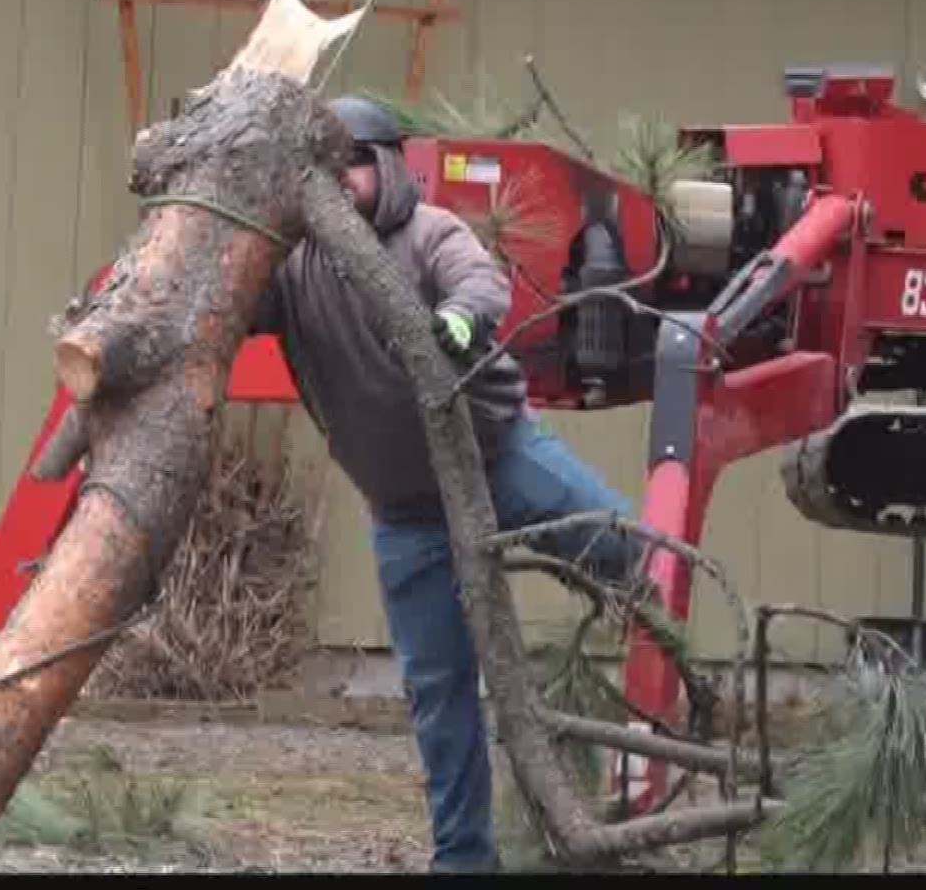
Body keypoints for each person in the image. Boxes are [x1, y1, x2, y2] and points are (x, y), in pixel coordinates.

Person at [251, 94, 647, 873]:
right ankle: (464, 860)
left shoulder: (430, 232)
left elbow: (481, 284)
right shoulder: (294, 270)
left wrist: (459, 322)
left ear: (388, 163)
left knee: (624, 544)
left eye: (353, 165)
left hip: (502, 459)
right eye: (324, 170)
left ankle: (663, 695)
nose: (339, 182)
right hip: (403, 515)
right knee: (440, 696)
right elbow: (233, 306)